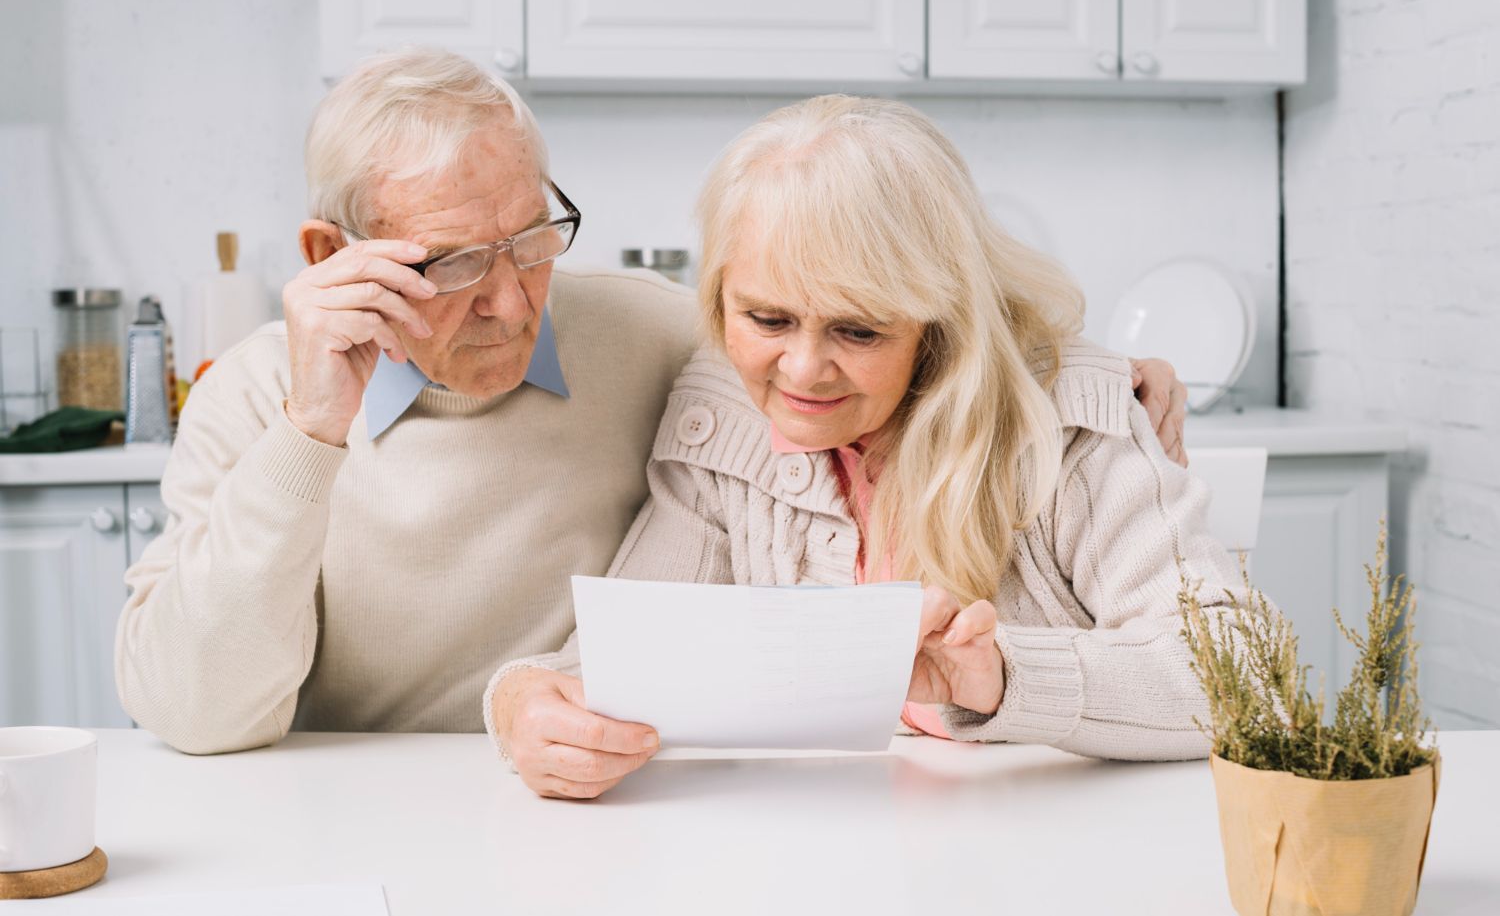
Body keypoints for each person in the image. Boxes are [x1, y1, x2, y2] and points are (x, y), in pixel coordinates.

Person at [116, 48, 1187, 755]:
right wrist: (310, 434)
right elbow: (194, 714)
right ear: (330, 256)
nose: (509, 299)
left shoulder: (669, 337)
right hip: (361, 818)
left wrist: (1076, 376)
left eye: (532, 239)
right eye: (449, 264)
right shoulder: (255, 399)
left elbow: (860, 297)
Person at [489, 95, 1242, 800]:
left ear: (939, 323)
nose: (803, 371)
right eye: (768, 319)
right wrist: (518, 699)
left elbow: (1240, 675)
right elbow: (620, 661)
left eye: (859, 330)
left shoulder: (1069, 422)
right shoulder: (718, 407)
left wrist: (1004, 677)